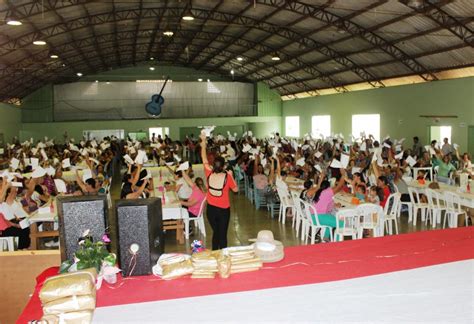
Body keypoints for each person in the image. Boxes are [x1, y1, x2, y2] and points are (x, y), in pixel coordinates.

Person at [200, 131, 238, 250]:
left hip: (210, 210)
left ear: (214, 165)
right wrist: (231, 175)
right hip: (223, 210)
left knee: (216, 232)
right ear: (223, 166)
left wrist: (203, 142)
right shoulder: (227, 176)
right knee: (222, 234)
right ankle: (223, 254)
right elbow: (236, 190)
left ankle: (215, 253)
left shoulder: (208, 173)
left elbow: (204, 158)